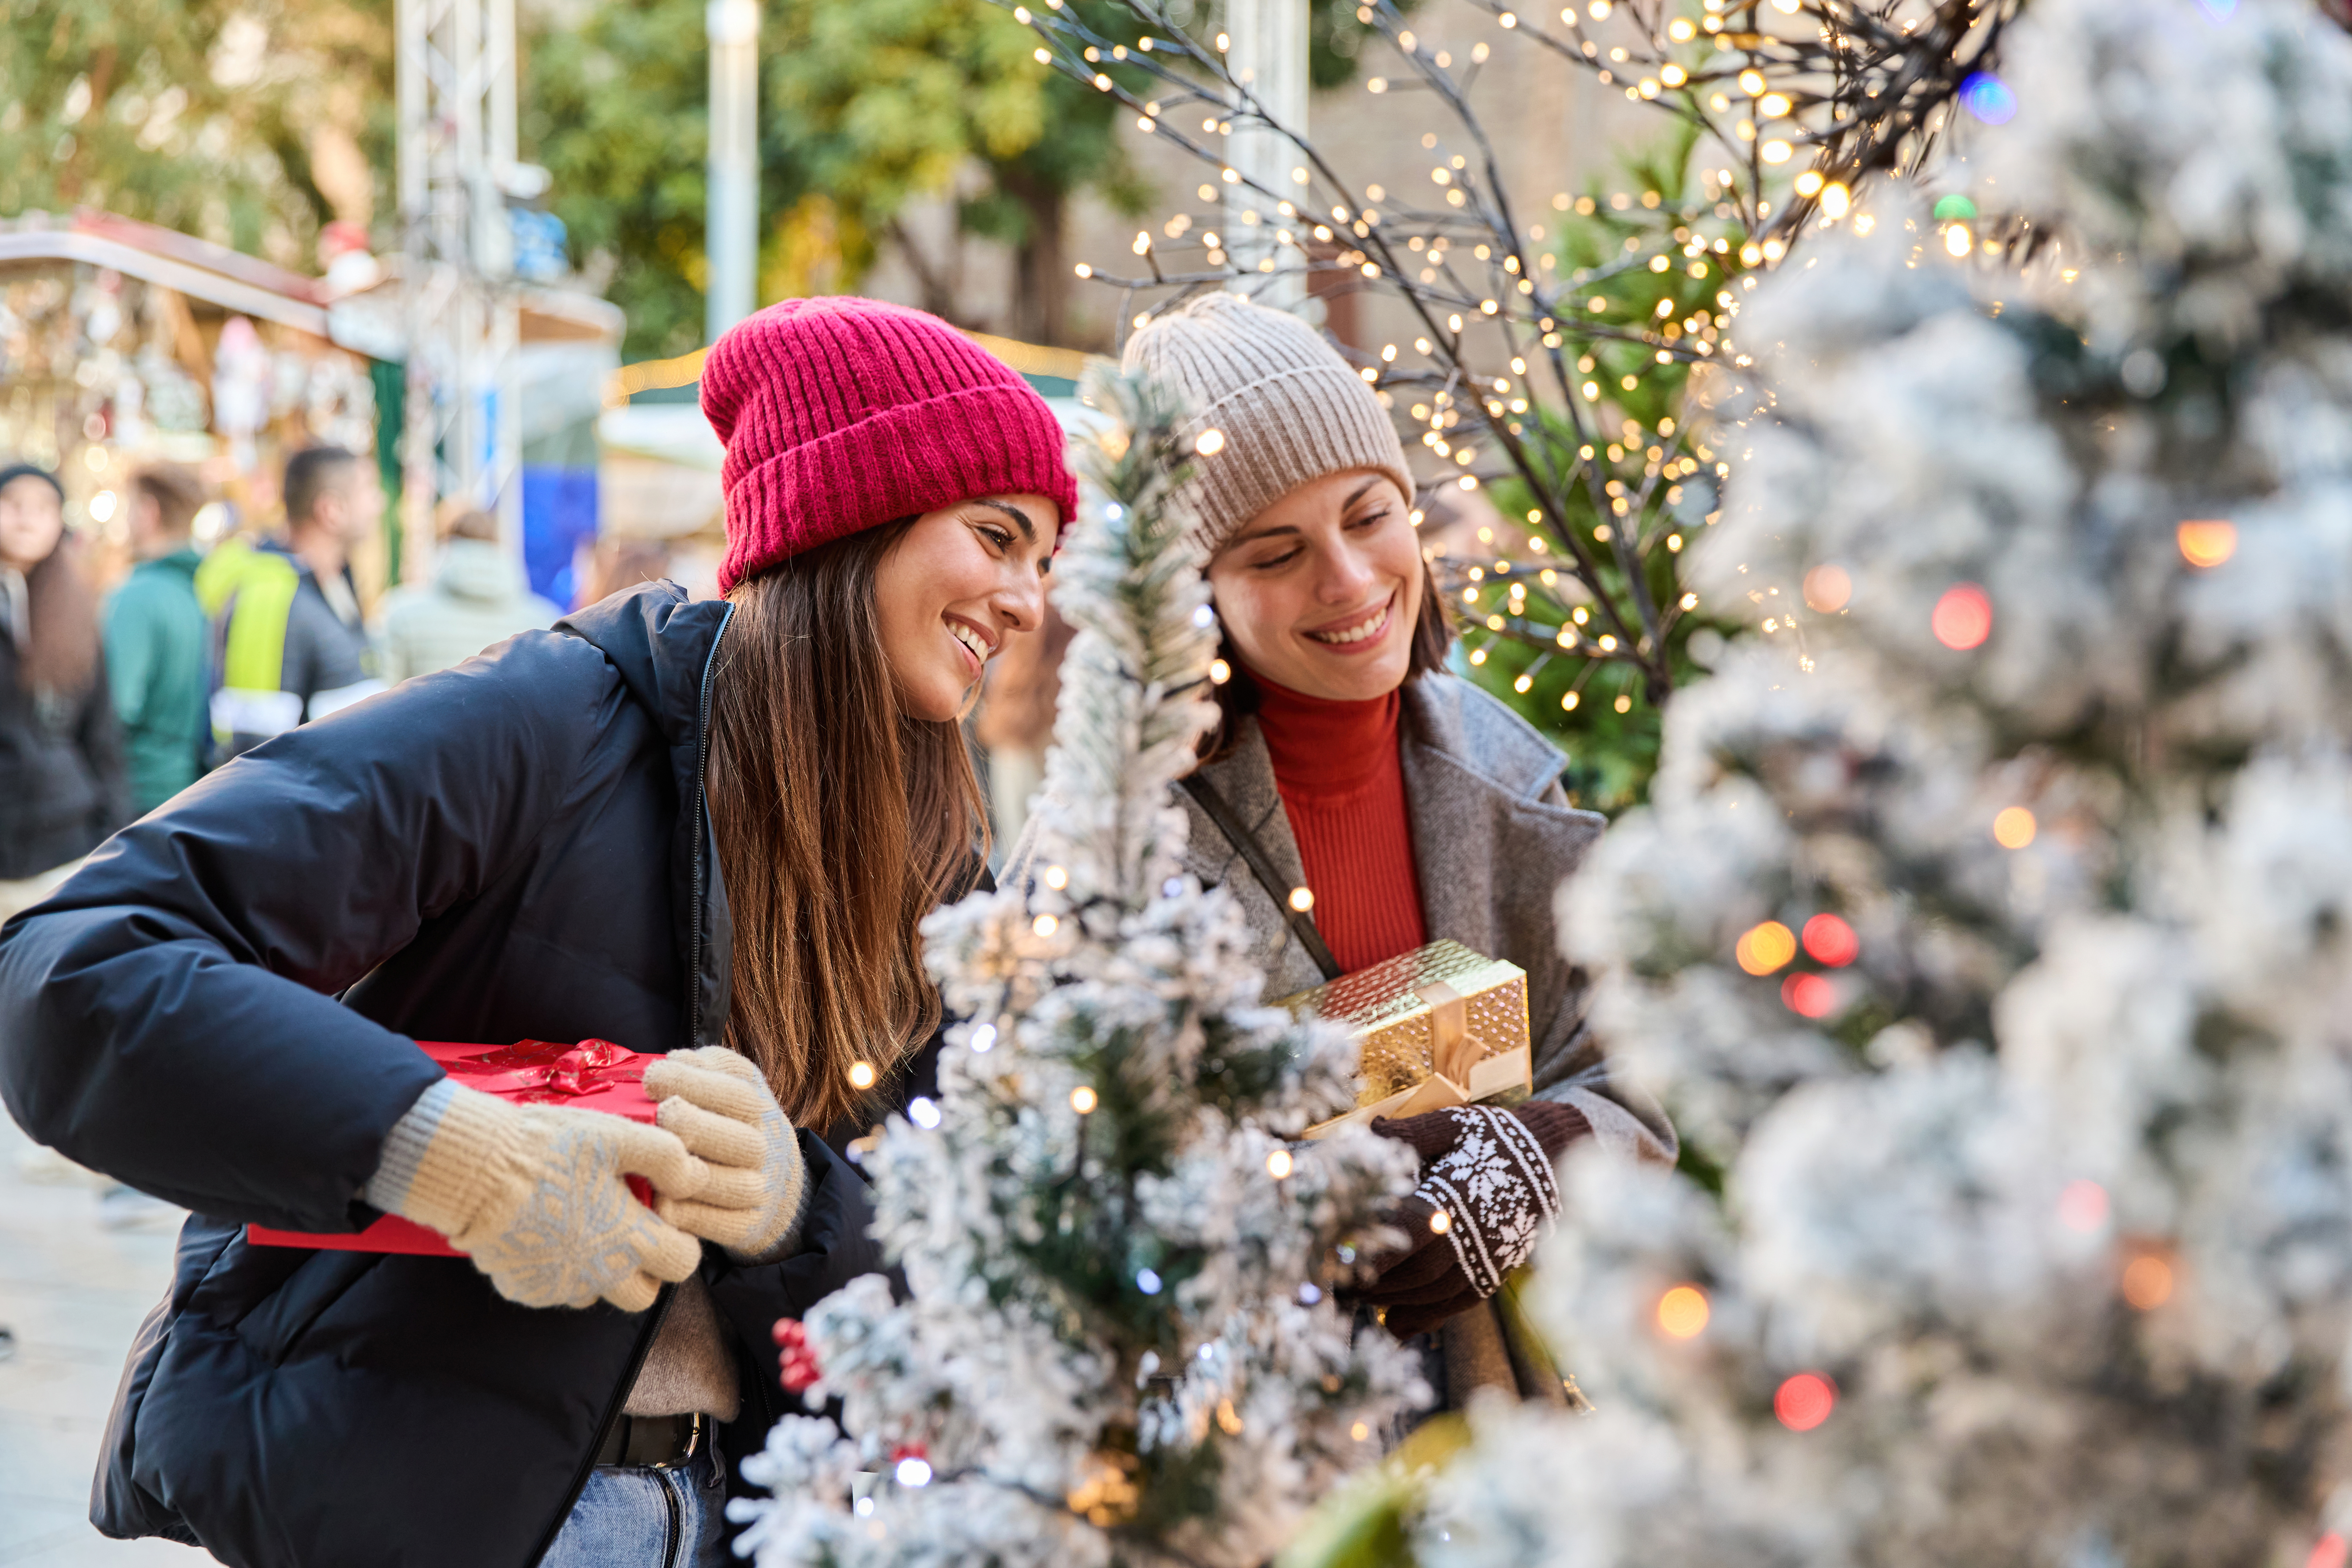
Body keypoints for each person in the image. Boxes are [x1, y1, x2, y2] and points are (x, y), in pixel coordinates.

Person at [0, 297, 1075, 1568]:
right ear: (856, 513)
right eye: (997, 537)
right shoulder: (554, 719)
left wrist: (801, 1207)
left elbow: (964, 1239)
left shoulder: (940, 855)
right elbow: (74, 965)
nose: (1023, 601)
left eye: (1045, 562)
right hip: (453, 1513)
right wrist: (444, 1153)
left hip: (749, 1516)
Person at [1106, 292, 1675, 1406]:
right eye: (1275, 552)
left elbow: (1635, 1079)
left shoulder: (1513, 781)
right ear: (1195, 597)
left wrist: (1527, 1164)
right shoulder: (1120, 842)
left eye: (1369, 516)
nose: (1350, 580)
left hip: (1510, 1450)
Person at [197, 444, 385, 759]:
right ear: (331, 510)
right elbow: (253, 752)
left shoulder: (333, 585)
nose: (380, 503)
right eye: (369, 490)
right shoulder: (270, 598)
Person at [0, 462, 128, 920]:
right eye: (13, 503)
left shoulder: (75, 613)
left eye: (43, 507)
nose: (26, 518)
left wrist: (116, 834)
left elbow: (102, 736)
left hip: (65, 846)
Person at [104, 463, 213, 813]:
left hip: (139, 794)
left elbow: (116, 707)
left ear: (148, 513)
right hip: (193, 786)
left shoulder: (137, 597)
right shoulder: (206, 590)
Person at [378, 505, 563, 681]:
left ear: (444, 545)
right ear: (501, 545)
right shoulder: (545, 622)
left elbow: (382, 696)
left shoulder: (402, 615)